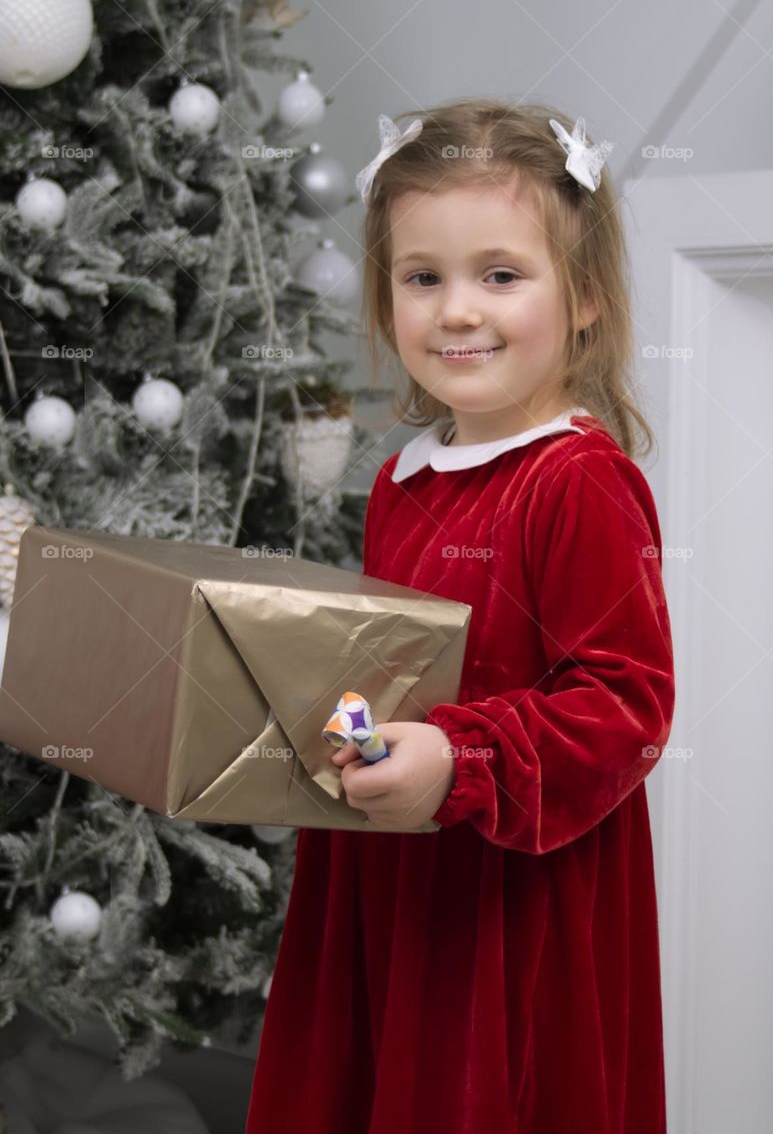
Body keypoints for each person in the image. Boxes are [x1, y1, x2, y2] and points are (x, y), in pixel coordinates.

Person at [245, 99, 676, 1134]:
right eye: (421, 276)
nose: (455, 310)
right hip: (390, 868)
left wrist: (464, 760)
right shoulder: (404, 478)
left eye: (498, 274)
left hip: (510, 899)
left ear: (582, 296)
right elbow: (390, 667)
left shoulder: (577, 482)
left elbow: (625, 706)